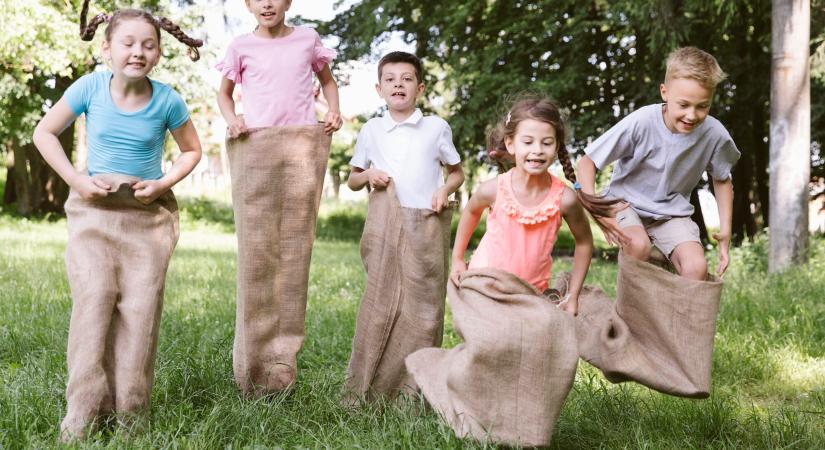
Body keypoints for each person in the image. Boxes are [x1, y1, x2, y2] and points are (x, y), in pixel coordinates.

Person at [31, 0, 202, 440]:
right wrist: (76, 179)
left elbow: (191, 150)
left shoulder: (167, 99)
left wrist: (163, 184)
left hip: (146, 217)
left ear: (159, 52)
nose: (137, 52)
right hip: (95, 211)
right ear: (107, 48)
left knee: (140, 310)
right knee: (94, 299)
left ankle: (130, 416)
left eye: (148, 45)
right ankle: (83, 415)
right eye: (127, 43)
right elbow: (44, 133)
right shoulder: (89, 88)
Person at [215, 0, 342, 396]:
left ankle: (281, 369)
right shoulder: (240, 46)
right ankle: (251, 365)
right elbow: (224, 94)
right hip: (258, 148)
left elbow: (328, 82)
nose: (267, 3)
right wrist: (233, 119)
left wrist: (334, 111)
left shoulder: (308, 40)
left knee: (293, 255)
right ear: (249, 5)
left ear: (288, 2)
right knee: (258, 255)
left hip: (301, 149)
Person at [343, 51, 464, 401]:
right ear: (379, 89)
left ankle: (413, 393)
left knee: (424, 308)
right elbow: (353, 180)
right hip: (385, 224)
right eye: (390, 78)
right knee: (381, 303)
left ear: (420, 88)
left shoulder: (436, 128)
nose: (398, 83)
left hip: (425, 225)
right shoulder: (371, 129)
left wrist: (444, 189)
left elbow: (456, 172)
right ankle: (368, 388)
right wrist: (368, 175)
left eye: (407, 78)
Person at [577, 46, 740, 280]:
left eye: (702, 106)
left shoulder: (714, 134)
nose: (692, 115)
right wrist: (595, 207)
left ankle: (681, 316)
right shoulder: (642, 122)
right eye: (683, 105)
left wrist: (725, 231)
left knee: (696, 268)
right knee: (638, 245)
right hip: (626, 204)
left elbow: (722, 179)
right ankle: (631, 314)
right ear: (664, 92)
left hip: (671, 213)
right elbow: (587, 162)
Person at [451, 94, 609, 316]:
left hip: (531, 293)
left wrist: (573, 296)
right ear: (510, 144)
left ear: (556, 148)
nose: (537, 150)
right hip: (484, 286)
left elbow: (584, 242)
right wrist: (458, 258)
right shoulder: (493, 189)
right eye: (527, 142)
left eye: (546, 143)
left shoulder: (565, 199)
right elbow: (470, 212)